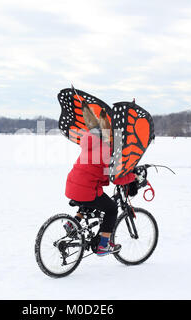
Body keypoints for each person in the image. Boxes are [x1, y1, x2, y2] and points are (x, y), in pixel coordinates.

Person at [64, 101, 137, 256]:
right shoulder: (106, 149)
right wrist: (132, 176)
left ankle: (73, 224)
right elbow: (116, 178)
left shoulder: (89, 144)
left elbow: (98, 169)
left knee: (91, 201)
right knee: (111, 209)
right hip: (86, 189)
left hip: (72, 185)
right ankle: (103, 245)